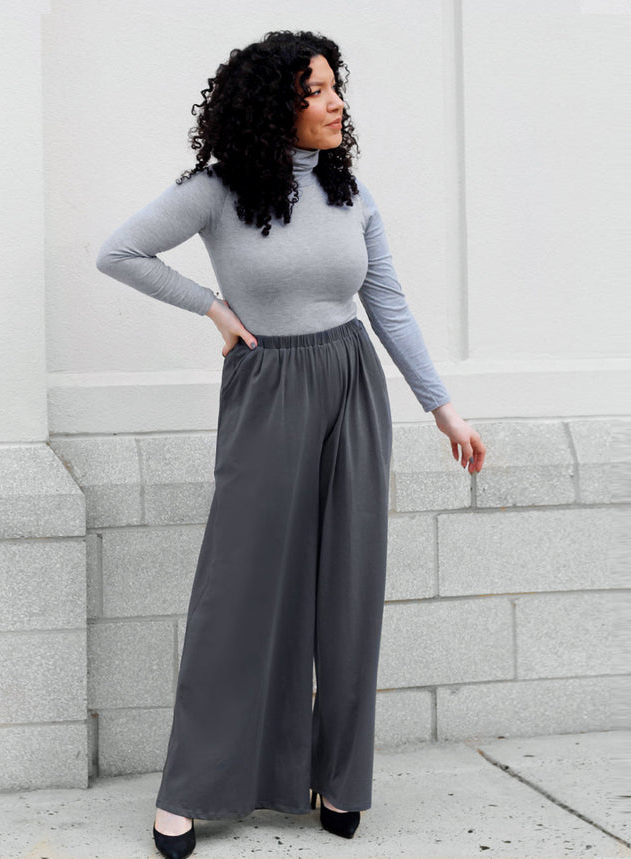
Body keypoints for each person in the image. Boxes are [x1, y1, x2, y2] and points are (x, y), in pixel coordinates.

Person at [96, 29, 486, 859]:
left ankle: (336, 776)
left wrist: (442, 408)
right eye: (316, 89)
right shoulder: (216, 190)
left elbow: (388, 303)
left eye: (336, 86)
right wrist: (213, 307)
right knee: (238, 591)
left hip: (352, 383)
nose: (336, 101)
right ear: (275, 104)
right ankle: (190, 788)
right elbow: (119, 251)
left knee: (349, 585)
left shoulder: (352, 193)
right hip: (268, 386)